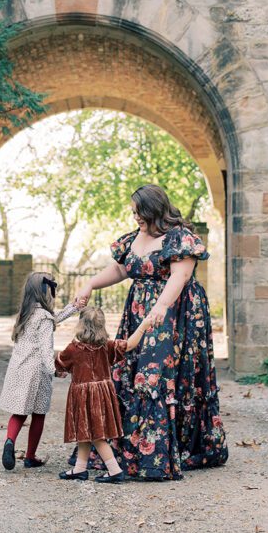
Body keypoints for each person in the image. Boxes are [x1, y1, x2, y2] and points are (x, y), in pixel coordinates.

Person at [75, 184, 228, 480]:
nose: (134, 217)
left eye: (138, 211)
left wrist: (160, 307)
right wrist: (90, 284)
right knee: (129, 370)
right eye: (133, 212)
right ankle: (125, 449)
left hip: (174, 313)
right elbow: (122, 270)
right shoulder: (134, 239)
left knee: (156, 374)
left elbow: (180, 276)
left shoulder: (180, 238)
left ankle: (157, 455)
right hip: (138, 312)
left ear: (153, 209)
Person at [55, 306, 150, 483]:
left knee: (96, 435)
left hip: (83, 396)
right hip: (103, 394)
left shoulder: (73, 349)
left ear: (80, 324)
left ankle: (115, 471)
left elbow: (59, 365)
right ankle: (80, 469)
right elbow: (129, 344)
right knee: (85, 432)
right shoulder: (106, 346)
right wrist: (143, 326)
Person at [0, 271, 80, 471]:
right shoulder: (44, 317)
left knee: (19, 411)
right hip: (37, 372)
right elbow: (45, 349)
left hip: (19, 369)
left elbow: (53, 319)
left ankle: (9, 441)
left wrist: (74, 307)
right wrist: (54, 370)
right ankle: (30, 456)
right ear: (46, 292)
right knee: (38, 414)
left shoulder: (25, 314)